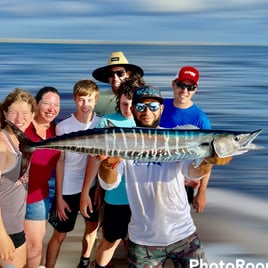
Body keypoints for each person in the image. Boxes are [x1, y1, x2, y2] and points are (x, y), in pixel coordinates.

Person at [98, 85, 232, 267]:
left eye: (153, 107)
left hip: (184, 235)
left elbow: (192, 172)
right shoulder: (124, 142)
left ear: (161, 109)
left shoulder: (175, 139)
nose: (147, 112)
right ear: (132, 109)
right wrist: (108, 165)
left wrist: (208, 162)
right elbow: (109, 184)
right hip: (143, 241)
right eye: (140, 107)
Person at [80, 78, 145, 268]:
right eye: (125, 104)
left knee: (140, 244)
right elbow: (94, 160)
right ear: (119, 100)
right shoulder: (108, 122)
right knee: (111, 240)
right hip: (117, 197)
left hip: (143, 197)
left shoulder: (149, 123)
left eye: (134, 105)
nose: (129, 109)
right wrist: (87, 191)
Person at [45, 80, 102, 268]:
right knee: (59, 234)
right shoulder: (64, 127)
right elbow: (60, 163)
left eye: (89, 100)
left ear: (96, 100)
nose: (85, 105)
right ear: (74, 100)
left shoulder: (101, 123)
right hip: (68, 188)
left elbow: (100, 160)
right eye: (80, 100)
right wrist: (59, 197)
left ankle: (84, 261)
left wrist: (98, 189)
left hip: (92, 186)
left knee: (92, 227)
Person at [159, 66, 212, 213]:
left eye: (190, 87)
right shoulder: (159, 107)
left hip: (184, 182)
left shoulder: (201, 119)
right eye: (181, 85)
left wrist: (202, 192)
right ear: (173, 84)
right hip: (156, 176)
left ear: (196, 89)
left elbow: (207, 158)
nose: (185, 91)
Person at [24, 86, 61, 267]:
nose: (51, 108)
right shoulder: (23, 124)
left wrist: (60, 197)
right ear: (37, 104)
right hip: (11, 195)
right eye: (46, 103)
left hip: (38, 196)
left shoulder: (58, 131)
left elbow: (61, 165)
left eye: (56, 105)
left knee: (35, 246)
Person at [0, 88, 35, 268]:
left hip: (15, 228)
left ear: (32, 116)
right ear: (5, 113)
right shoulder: (2, 144)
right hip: (4, 231)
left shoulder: (21, 142)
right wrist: (2, 237)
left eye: (25, 113)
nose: (19, 118)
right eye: (13, 112)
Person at [92, 51, 144, 115]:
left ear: (128, 74)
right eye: (110, 74)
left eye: (120, 73)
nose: (115, 78)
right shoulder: (97, 99)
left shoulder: (141, 95)